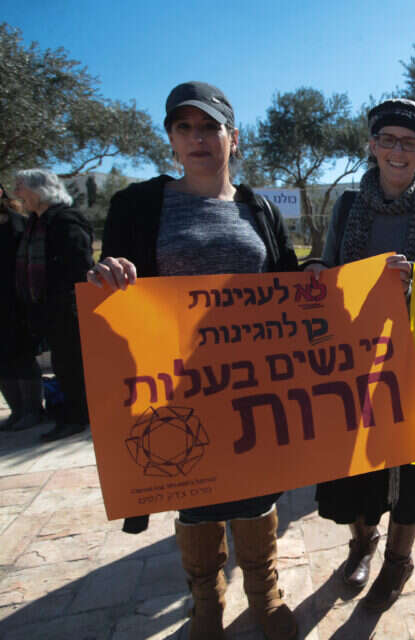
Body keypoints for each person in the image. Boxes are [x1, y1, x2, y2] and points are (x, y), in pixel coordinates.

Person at [88, 81, 301, 640]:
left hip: (252, 383)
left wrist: (324, 275)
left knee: (256, 494)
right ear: (171, 140)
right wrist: (107, 276)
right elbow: (114, 297)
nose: (197, 138)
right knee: (194, 497)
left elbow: (289, 284)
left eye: (209, 127)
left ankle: (265, 594)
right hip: (176, 386)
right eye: (184, 128)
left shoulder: (258, 208)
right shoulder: (137, 205)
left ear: (234, 137)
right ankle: (206, 600)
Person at [312, 98, 415, 612]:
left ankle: (399, 559)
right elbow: (329, 271)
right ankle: (362, 543)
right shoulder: (347, 207)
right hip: (352, 361)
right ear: (373, 146)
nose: (399, 151)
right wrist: (316, 272)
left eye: (411, 143)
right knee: (354, 467)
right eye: (389, 140)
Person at [13, 169, 93, 442]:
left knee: (70, 366)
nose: (17, 192)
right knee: (62, 364)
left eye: (20, 186)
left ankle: (76, 418)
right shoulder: (36, 223)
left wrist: (60, 301)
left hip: (66, 309)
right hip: (48, 309)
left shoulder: (65, 221)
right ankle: (72, 414)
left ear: (39, 190)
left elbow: (80, 267)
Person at [0, 184, 44, 432]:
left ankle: (33, 410)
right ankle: (16, 411)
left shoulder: (19, 223)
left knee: (22, 354)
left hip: (17, 301)